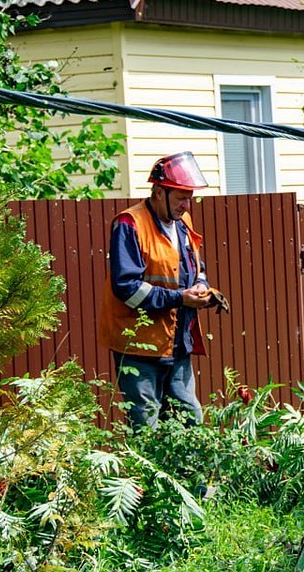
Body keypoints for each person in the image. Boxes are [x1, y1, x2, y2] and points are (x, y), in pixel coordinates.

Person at [99, 151, 219, 431]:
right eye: (180, 198)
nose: (186, 205)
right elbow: (127, 288)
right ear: (158, 192)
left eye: (189, 197)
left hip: (178, 344)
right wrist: (180, 297)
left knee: (191, 424)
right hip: (139, 348)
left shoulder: (183, 224)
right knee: (145, 430)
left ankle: (192, 477)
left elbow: (195, 268)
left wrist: (201, 286)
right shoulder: (129, 224)